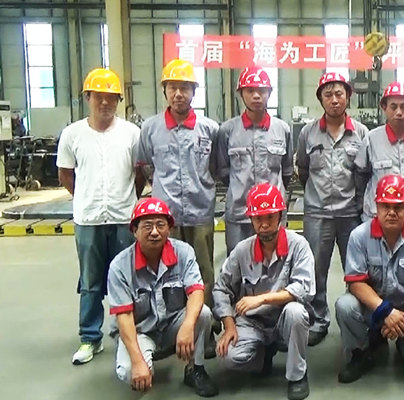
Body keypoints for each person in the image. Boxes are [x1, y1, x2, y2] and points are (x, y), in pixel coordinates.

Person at [56, 67, 141, 365]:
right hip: (88, 220)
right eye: (98, 97)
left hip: (123, 219)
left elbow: (140, 173)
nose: (104, 102)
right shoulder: (72, 134)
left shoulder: (131, 134)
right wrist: (84, 196)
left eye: (111, 97)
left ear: (118, 100)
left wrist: (128, 199)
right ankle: (90, 338)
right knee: (91, 282)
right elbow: (65, 174)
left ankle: (125, 334)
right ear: (87, 98)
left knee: (126, 279)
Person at [136, 59, 220, 337]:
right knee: (168, 273)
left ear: (194, 91)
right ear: (165, 91)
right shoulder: (150, 129)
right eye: (172, 87)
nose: (178, 94)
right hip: (165, 217)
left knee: (204, 272)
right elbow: (146, 166)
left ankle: (205, 330)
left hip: (201, 213)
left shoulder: (209, 129)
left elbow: (216, 168)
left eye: (185, 87)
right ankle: (171, 329)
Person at [107, 198, 218, 397]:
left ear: (169, 229)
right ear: (134, 231)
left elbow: (196, 291)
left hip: (171, 327)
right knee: (130, 372)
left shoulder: (183, 252)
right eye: (147, 226)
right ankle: (143, 360)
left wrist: (187, 326)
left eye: (160, 225)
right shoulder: (120, 267)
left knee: (203, 313)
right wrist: (138, 361)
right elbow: (124, 317)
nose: (155, 232)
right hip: (140, 332)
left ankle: (195, 369)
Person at [213, 183, 314, 400]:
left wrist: (261, 299)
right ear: (251, 219)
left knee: (296, 312)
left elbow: (303, 288)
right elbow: (221, 288)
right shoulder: (242, 251)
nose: (265, 224)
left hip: (283, 317)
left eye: (270, 217)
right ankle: (263, 355)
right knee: (227, 357)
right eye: (258, 218)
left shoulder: (299, 245)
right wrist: (229, 325)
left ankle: (297, 375)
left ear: (280, 216)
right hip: (253, 322)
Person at [335, 174, 404, 383]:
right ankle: (361, 352)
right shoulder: (359, 236)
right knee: (345, 306)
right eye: (385, 206)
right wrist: (386, 312)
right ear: (376, 206)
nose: (392, 212)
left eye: (398, 207)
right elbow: (355, 283)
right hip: (374, 308)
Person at [296, 72, 369, 346]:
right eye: (328, 95)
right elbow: (303, 169)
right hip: (317, 214)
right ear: (321, 100)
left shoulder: (361, 133)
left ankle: (356, 319)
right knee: (316, 269)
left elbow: (363, 174)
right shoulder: (308, 132)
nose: (334, 100)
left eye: (339, 94)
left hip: (350, 214)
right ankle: (318, 320)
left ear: (348, 97)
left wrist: (359, 207)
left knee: (356, 269)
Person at [216, 66, 293, 255]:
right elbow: (223, 171)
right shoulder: (227, 131)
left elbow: (287, 171)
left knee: (275, 261)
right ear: (241, 94)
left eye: (262, 91)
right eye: (250, 91)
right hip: (239, 214)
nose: (256, 96)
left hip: (273, 214)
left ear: (270, 93)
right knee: (237, 262)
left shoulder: (282, 129)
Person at [355, 82, 404, 229]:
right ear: (384, 107)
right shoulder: (371, 140)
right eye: (393, 107)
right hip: (378, 218)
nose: (399, 112)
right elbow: (360, 177)